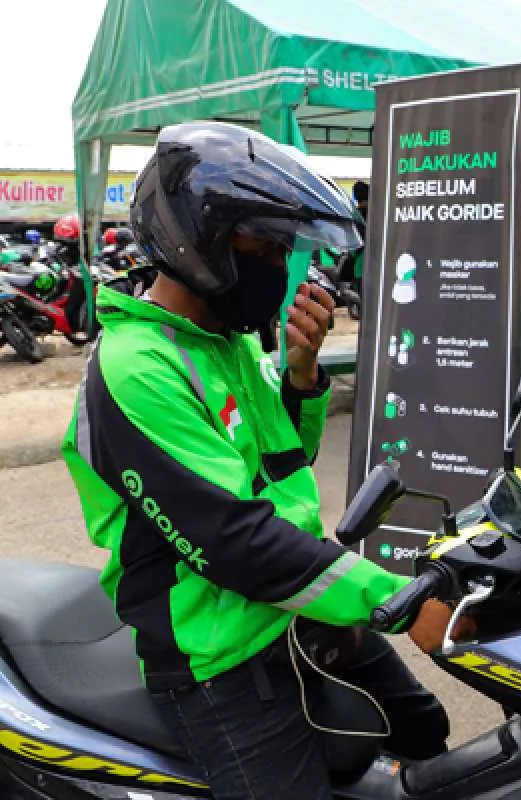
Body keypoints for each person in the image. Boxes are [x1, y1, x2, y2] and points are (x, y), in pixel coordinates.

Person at [61, 121, 457, 800]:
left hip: (293, 607)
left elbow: (282, 464)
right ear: (199, 239)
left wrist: (301, 375)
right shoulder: (137, 368)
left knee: (422, 729)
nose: (279, 268)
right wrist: (393, 599)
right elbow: (232, 538)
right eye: (264, 248)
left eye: (282, 251)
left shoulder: (229, 342)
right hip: (221, 653)